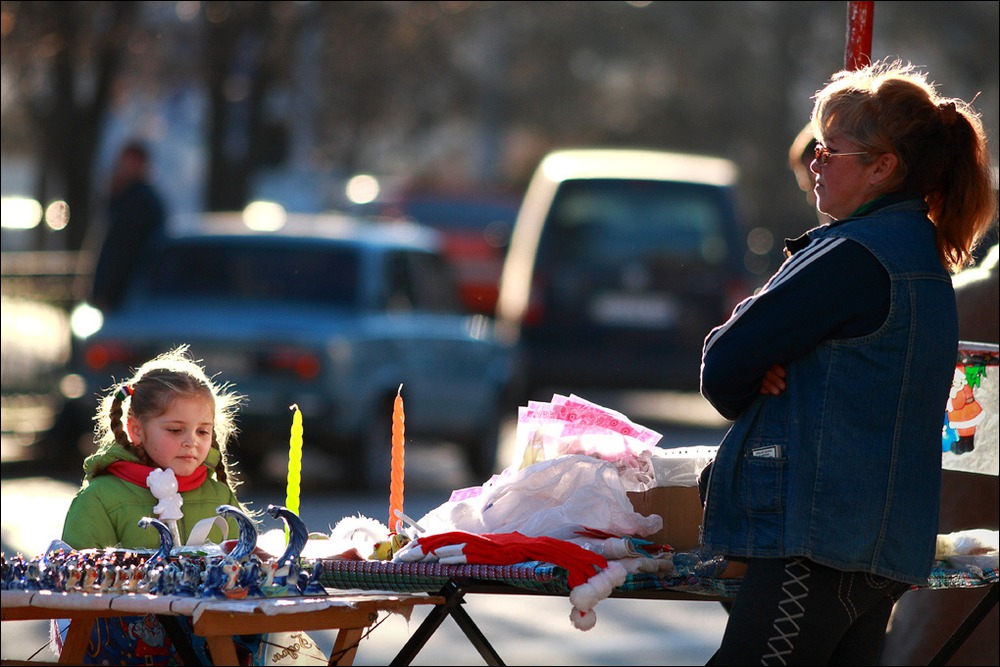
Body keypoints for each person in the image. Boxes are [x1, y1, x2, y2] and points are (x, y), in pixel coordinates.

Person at [699, 59, 996, 665]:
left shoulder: (851, 256)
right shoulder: (922, 255)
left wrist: (760, 375)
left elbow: (724, 362)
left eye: (829, 151)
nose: (814, 163)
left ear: (883, 167)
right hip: (877, 547)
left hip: (818, 543)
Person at [57, 345, 261, 665]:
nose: (191, 441)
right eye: (175, 430)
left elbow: (245, 566)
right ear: (137, 429)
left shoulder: (219, 496)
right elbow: (68, 586)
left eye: (202, 430)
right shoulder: (101, 497)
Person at [89, 140, 167, 312]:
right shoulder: (127, 199)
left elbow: (122, 251)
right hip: (129, 294)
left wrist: (107, 293)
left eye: (131, 163)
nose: (125, 168)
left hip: (129, 296)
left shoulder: (138, 203)